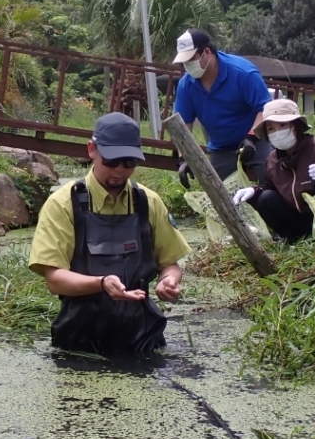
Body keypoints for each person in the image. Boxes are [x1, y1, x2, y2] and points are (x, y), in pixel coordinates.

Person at [29, 113, 192, 355]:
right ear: (92, 150)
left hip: (142, 337)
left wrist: (169, 281)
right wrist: (102, 284)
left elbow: (170, 263)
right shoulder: (63, 204)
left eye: (129, 163)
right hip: (79, 340)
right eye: (111, 161)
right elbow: (54, 279)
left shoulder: (149, 202)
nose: (119, 171)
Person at [231, 98, 315, 244]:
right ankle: (290, 238)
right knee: (265, 198)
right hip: (296, 218)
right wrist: (255, 191)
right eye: (271, 128)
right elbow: (271, 189)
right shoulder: (272, 160)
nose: (277, 132)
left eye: (282, 124)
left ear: (296, 125)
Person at [172, 28, 273, 186]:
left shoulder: (243, 73)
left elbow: (265, 108)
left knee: (271, 183)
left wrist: (251, 137)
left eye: (191, 59)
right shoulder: (186, 86)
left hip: (256, 142)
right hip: (221, 148)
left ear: (206, 52)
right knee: (219, 194)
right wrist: (183, 158)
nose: (187, 65)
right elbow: (183, 125)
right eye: (184, 62)